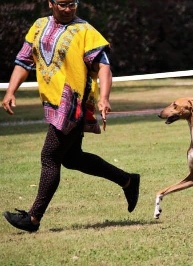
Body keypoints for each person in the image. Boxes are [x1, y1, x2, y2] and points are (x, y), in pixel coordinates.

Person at [2, 0, 140, 232]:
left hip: (73, 102)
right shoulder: (38, 26)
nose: (68, 9)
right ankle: (128, 180)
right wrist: (10, 91)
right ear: (51, 3)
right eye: (63, 4)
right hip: (53, 101)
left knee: (50, 156)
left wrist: (104, 98)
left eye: (72, 4)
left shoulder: (86, 31)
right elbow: (24, 60)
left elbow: (104, 67)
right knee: (73, 158)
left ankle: (33, 219)